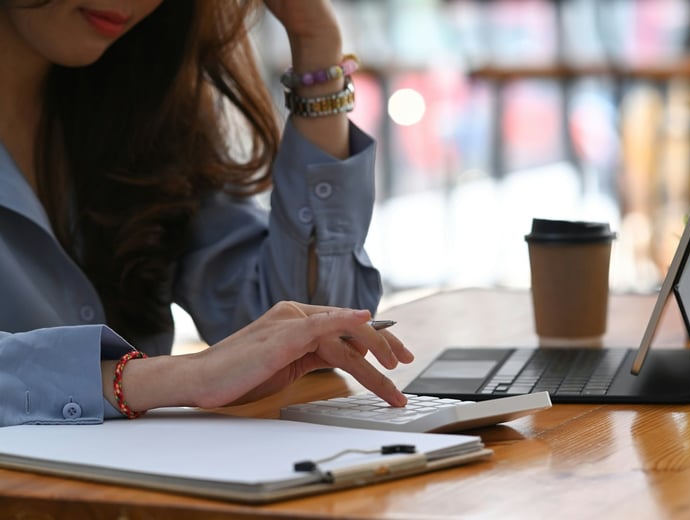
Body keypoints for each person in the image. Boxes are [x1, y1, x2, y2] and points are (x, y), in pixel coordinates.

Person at [0, 0, 412, 427]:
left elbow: (314, 334)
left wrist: (315, 38)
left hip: (145, 483)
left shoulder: (145, 104)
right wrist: (165, 379)